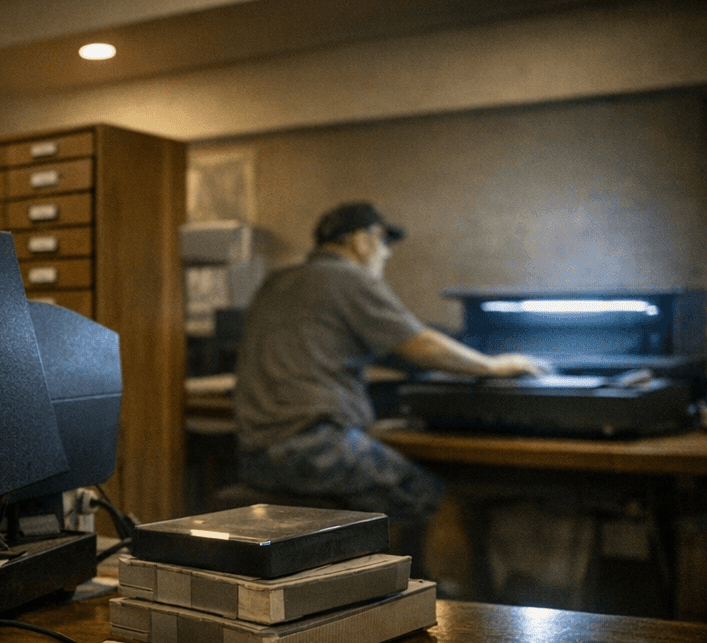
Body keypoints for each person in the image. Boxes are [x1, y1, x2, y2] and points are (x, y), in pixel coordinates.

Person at [232, 202, 549, 549]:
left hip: (255, 452)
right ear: (362, 240)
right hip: (312, 448)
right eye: (383, 244)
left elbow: (389, 352)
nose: (385, 254)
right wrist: (492, 366)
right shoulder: (347, 277)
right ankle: (425, 582)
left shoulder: (278, 281)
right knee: (426, 493)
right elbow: (420, 346)